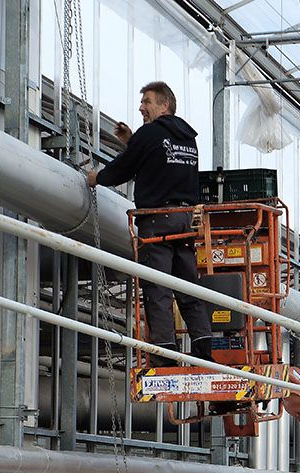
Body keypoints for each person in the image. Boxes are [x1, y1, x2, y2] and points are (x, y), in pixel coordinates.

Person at [87, 81, 212, 367]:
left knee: (158, 289)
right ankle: (204, 348)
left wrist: (98, 178)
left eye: (147, 102)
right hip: (184, 220)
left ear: (164, 104)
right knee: (188, 287)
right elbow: (161, 161)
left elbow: (124, 168)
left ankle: (165, 354)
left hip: (157, 220)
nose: (141, 107)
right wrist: (133, 141)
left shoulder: (151, 133)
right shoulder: (187, 138)